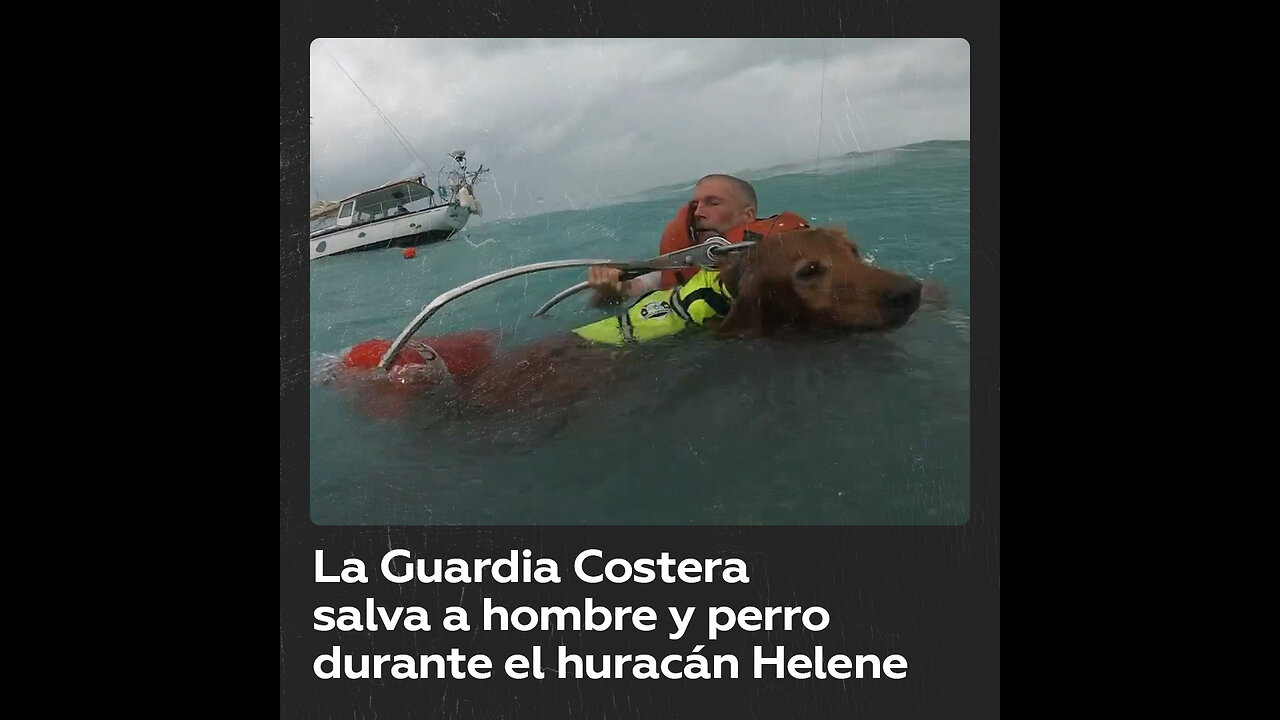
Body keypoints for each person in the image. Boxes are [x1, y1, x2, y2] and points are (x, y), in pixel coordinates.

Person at [586, 174, 759, 305]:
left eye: (713, 203)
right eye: (695, 206)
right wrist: (608, 286)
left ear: (748, 215)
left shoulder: (773, 257)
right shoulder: (679, 262)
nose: (698, 213)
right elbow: (623, 293)